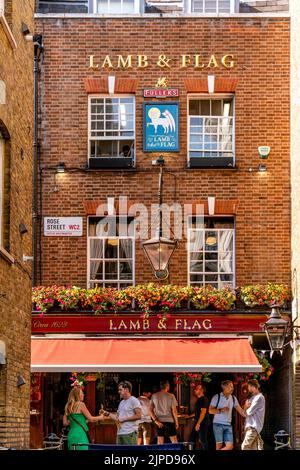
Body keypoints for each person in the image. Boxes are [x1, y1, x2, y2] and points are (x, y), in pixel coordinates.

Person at [209, 380, 246, 451]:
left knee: (230, 446)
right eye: (230, 386)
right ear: (225, 387)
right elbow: (210, 411)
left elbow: (241, 411)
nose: (233, 388)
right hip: (217, 424)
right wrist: (220, 410)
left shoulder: (233, 398)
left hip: (228, 425)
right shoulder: (217, 397)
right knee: (219, 446)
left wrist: (246, 409)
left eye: (232, 386)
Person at [104, 381, 142, 445]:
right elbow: (117, 418)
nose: (118, 392)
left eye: (120, 390)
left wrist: (124, 419)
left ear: (126, 390)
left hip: (130, 433)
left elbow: (139, 415)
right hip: (120, 433)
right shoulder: (121, 402)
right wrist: (107, 413)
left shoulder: (134, 400)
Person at [149, 380, 179, 444]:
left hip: (159, 421)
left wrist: (156, 421)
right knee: (174, 442)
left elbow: (150, 410)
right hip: (170, 421)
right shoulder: (171, 396)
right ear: (167, 386)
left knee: (160, 442)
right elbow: (174, 411)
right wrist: (176, 422)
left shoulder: (154, 395)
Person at [241, 379, 265, 450]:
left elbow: (248, 412)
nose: (248, 389)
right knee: (252, 448)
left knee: (244, 447)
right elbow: (245, 414)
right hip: (250, 427)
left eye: (248, 386)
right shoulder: (252, 398)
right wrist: (245, 408)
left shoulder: (259, 398)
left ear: (252, 386)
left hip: (253, 427)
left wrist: (245, 407)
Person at [193, 383, 210, 450]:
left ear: (202, 390)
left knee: (203, 440)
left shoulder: (204, 399)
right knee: (201, 440)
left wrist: (198, 424)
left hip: (203, 423)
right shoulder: (199, 400)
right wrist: (189, 416)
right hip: (200, 423)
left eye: (197, 389)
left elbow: (203, 412)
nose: (195, 390)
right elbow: (198, 412)